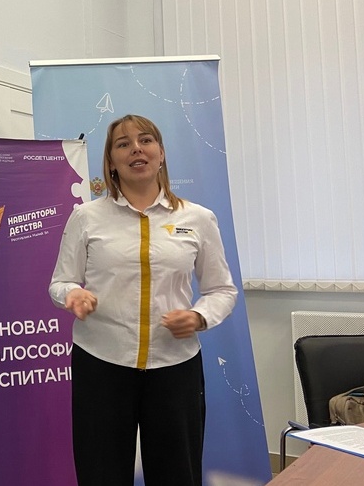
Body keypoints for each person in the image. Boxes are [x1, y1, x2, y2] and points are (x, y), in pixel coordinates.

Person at [48, 114, 237, 485]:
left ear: (161, 153)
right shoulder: (86, 217)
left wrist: (199, 317)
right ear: (111, 161)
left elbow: (222, 290)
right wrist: (72, 294)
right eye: (123, 144)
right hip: (101, 365)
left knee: (177, 475)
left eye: (146, 140)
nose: (136, 148)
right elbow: (60, 282)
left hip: (175, 368)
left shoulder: (198, 218)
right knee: (100, 474)